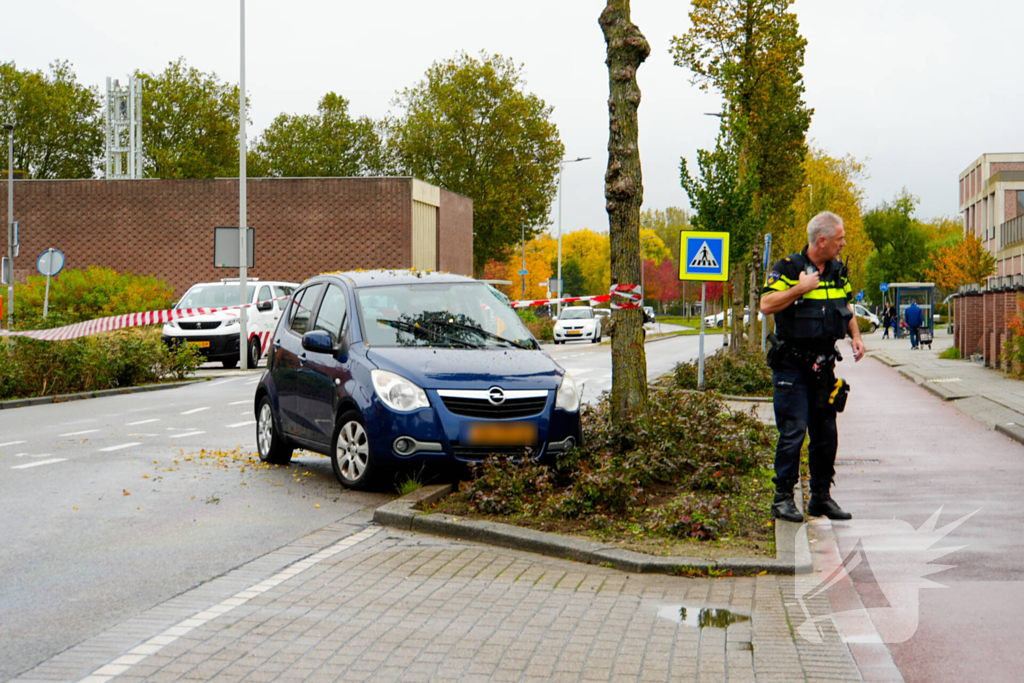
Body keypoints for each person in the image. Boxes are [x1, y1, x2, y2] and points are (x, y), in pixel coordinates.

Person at [760, 211, 866, 523]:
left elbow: (846, 307)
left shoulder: (837, 271)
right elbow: (766, 304)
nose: (843, 243)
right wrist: (799, 289)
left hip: (824, 366)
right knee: (794, 431)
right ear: (822, 241)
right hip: (792, 365)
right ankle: (782, 499)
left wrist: (856, 337)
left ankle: (820, 497)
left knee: (826, 434)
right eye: (839, 239)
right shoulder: (789, 268)